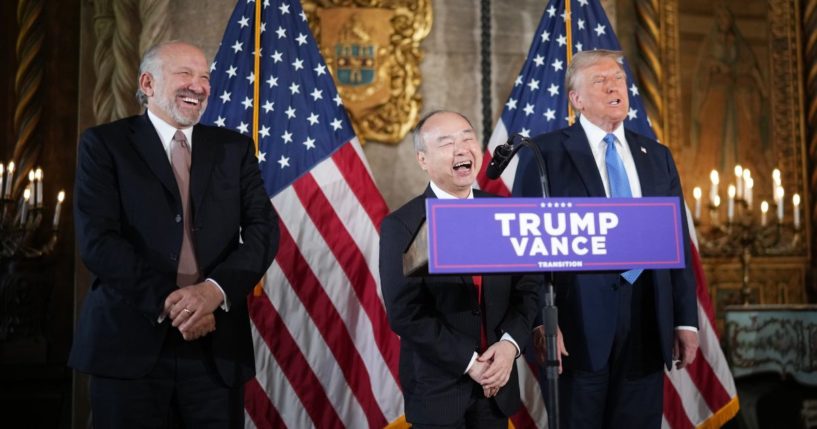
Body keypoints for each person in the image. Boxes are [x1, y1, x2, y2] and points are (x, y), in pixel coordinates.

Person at [69, 41, 278, 427]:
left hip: (216, 351)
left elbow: (264, 231)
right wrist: (173, 304)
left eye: (204, 78)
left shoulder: (234, 149)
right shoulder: (105, 145)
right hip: (129, 345)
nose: (197, 86)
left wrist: (213, 291)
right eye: (184, 74)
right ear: (147, 83)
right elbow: (98, 241)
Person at [513, 50, 699, 428]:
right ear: (576, 99)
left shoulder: (657, 156)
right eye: (600, 81)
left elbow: (675, 240)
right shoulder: (544, 153)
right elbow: (525, 244)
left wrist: (686, 321)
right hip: (575, 326)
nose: (615, 86)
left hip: (648, 319)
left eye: (618, 79)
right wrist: (538, 321)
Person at [379, 110, 539, 428]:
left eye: (468, 138)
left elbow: (530, 288)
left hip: (497, 388)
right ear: (422, 159)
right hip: (438, 392)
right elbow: (406, 313)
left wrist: (509, 346)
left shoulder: (505, 213)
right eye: (447, 142)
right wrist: (471, 364)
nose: (462, 148)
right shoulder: (402, 225)